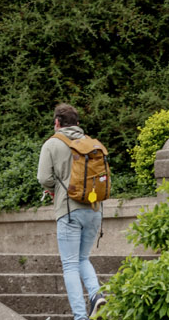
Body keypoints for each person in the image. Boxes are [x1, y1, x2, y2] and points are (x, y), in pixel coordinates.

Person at [38, 103, 107, 318]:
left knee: (69, 265)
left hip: (68, 210)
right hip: (95, 208)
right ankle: (97, 295)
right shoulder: (91, 143)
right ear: (77, 124)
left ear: (57, 123)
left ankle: (80, 317)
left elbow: (43, 178)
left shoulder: (52, 143)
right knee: (82, 258)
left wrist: (54, 191)